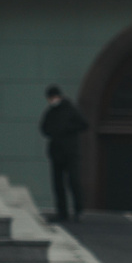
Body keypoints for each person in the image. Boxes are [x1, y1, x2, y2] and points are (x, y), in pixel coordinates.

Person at [39, 86, 90, 221]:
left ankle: (79, 210)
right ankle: (62, 211)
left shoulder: (70, 109)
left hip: (71, 151)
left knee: (73, 181)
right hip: (57, 152)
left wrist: (67, 130)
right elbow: (43, 128)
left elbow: (84, 124)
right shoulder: (51, 112)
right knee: (58, 183)